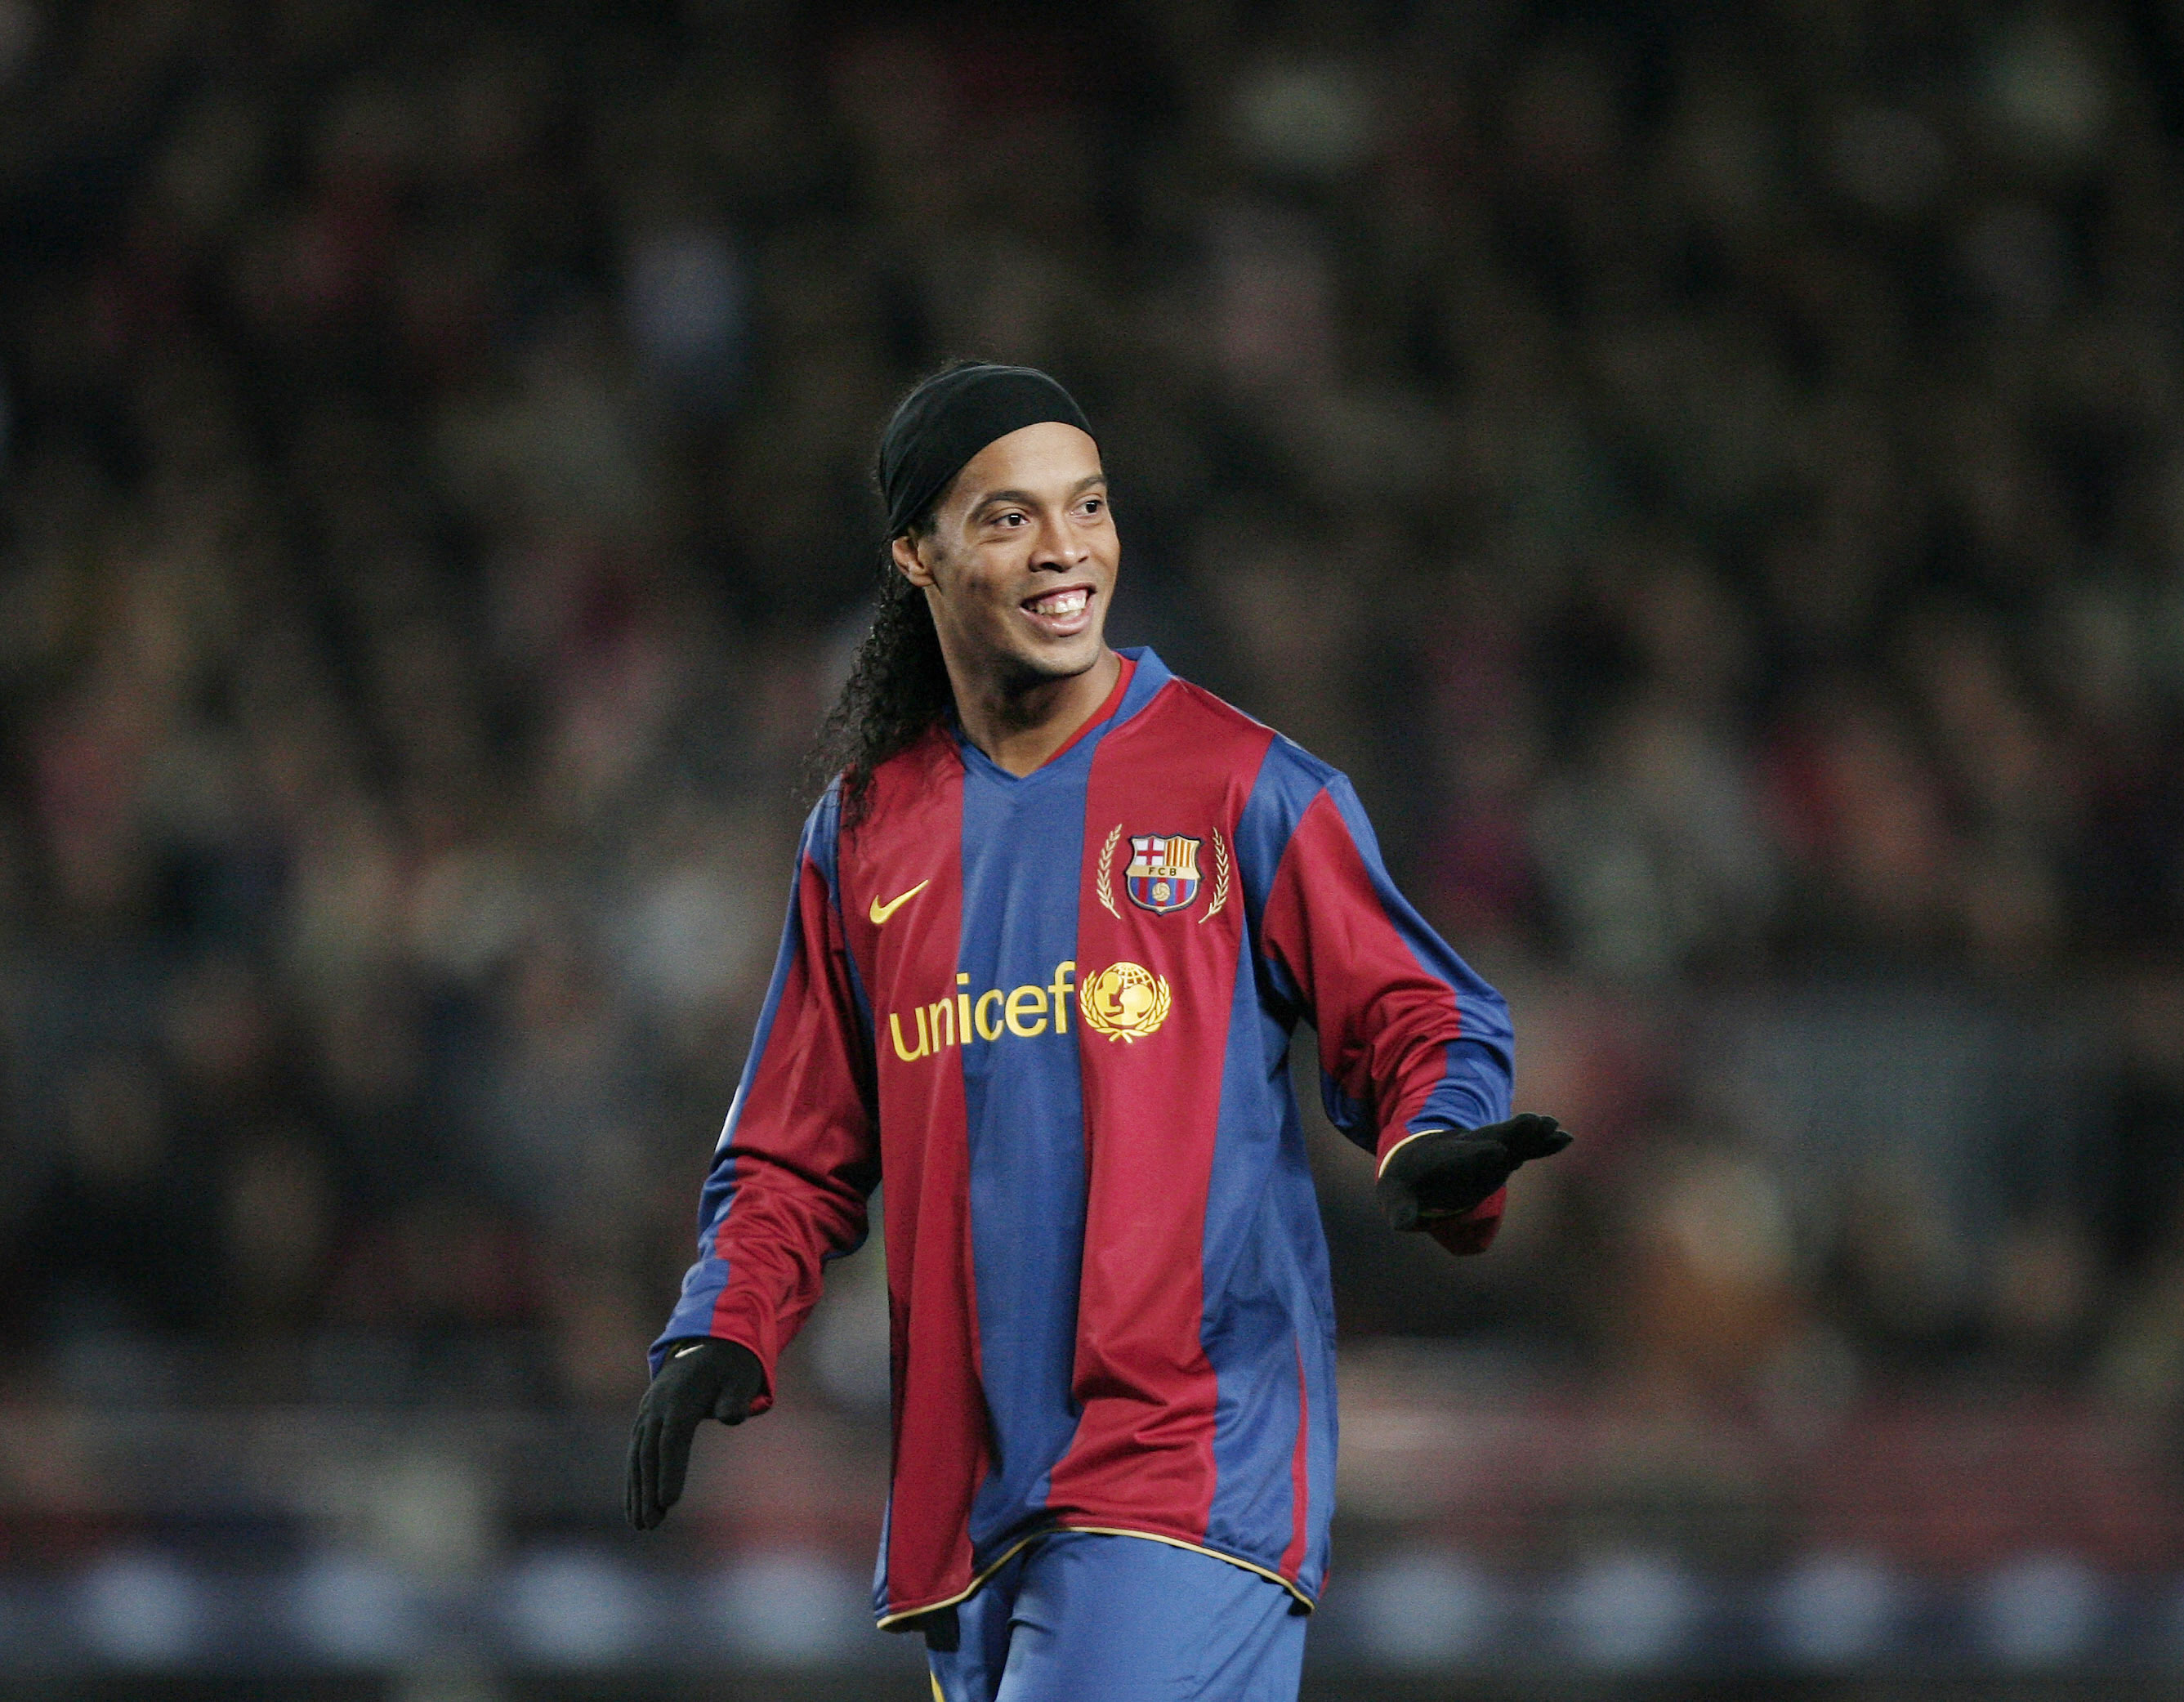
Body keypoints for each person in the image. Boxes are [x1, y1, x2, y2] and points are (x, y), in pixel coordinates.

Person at [626, 362, 1568, 1700]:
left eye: (1088, 505)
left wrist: (1437, 1135)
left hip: (1189, 1458)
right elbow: (792, 1146)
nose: (1065, 547)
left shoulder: (1243, 784)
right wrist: (720, 1325)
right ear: (916, 555)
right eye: (1008, 516)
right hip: (969, 1503)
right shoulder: (865, 834)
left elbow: (1420, 1011)